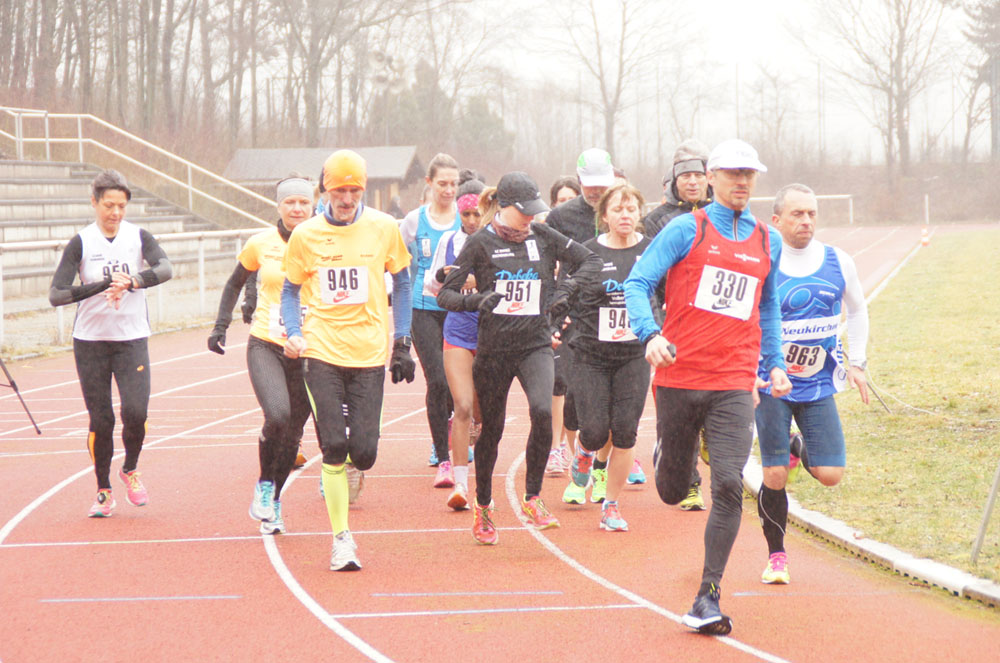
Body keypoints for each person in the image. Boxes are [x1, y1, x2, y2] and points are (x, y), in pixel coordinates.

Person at [623, 139, 791, 635]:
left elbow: (767, 305)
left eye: (749, 174)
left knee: (728, 484)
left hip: (734, 380)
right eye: (733, 173)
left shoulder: (768, 239)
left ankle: (707, 595)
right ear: (712, 177)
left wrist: (774, 363)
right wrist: (650, 334)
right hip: (679, 375)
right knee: (673, 491)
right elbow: (637, 283)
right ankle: (666, 455)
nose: (742, 182)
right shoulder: (686, 229)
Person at [437, 172, 603, 545]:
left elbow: (590, 261)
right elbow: (445, 295)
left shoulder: (543, 236)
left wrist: (565, 291)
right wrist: (476, 301)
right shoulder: (480, 243)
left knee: (543, 411)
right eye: (524, 211)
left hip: (535, 345)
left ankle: (532, 497)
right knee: (492, 430)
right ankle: (483, 505)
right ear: (504, 206)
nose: (530, 217)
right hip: (494, 351)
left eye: (534, 210)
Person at [280, 149, 415, 571]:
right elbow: (290, 290)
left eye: (355, 190)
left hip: (369, 351)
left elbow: (403, 282)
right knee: (333, 446)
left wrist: (403, 341)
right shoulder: (306, 235)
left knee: (365, 451)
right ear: (325, 190)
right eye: (339, 191)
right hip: (322, 350)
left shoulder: (384, 227)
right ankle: (342, 539)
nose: (347, 198)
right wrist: (294, 331)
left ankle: (355, 468)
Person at [755, 183, 870, 585]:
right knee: (774, 475)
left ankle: (796, 445)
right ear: (776, 220)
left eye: (811, 213)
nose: (806, 221)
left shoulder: (838, 261)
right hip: (771, 384)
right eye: (797, 214)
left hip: (818, 384)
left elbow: (857, 310)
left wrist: (858, 364)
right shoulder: (763, 262)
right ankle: (777, 556)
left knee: (831, 474)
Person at [48, 169, 173, 517]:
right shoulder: (81, 242)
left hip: (131, 340)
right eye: (108, 205)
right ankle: (103, 489)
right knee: (101, 420)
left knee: (136, 412)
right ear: (94, 202)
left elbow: (166, 268)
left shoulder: (138, 237)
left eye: (121, 206)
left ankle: (130, 468)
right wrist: (103, 285)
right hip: (91, 343)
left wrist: (132, 281)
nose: (115, 213)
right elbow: (56, 294)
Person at [207, 174, 324, 534]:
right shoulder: (261, 243)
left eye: (304, 202)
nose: (297, 208)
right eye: (290, 202)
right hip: (266, 344)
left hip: (309, 350)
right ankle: (264, 483)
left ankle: (273, 502)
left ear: (313, 205)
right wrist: (220, 326)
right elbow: (234, 283)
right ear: (279, 206)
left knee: (292, 433)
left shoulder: (325, 242)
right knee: (277, 415)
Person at [561, 183, 652, 530]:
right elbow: (566, 294)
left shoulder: (651, 252)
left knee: (626, 431)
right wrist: (558, 322)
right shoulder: (588, 253)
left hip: (633, 354)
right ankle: (585, 453)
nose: (625, 215)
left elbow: (666, 294)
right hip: (591, 354)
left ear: (639, 213)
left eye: (631, 209)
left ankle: (611, 505)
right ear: (604, 216)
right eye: (617, 209)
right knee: (596, 431)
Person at [544, 150, 615, 480]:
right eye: (590, 184)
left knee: (615, 390)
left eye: (602, 184)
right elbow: (549, 268)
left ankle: (609, 455)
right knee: (571, 391)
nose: (596, 191)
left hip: (614, 309)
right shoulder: (561, 217)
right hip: (575, 312)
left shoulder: (621, 209)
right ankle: (577, 452)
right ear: (579, 180)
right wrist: (555, 309)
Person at [424, 178, 490, 510]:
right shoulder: (449, 240)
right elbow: (430, 283)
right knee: (461, 406)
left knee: (482, 413)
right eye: (466, 214)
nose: (473, 221)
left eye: (478, 214)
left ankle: (481, 461)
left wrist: (479, 281)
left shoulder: (497, 241)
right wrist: (443, 278)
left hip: (492, 335)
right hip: (458, 332)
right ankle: (461, 485)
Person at [399, 154, 462, 484]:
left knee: (456, 382)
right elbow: (394, 256)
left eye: (454, 184)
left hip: (458, 309)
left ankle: (455, 427)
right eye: (442, 184)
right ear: (429, 183)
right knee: (437, 379)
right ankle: (443, 456)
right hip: (423, 309)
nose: (448, 190)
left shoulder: (464, 218)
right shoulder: (414, 220)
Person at [642, 139, 713, 238]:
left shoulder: (725, 213)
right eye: (686, 176)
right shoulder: (656, 221)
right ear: (675, 179)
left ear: (708, 178)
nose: (693, 182)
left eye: (698, 175)